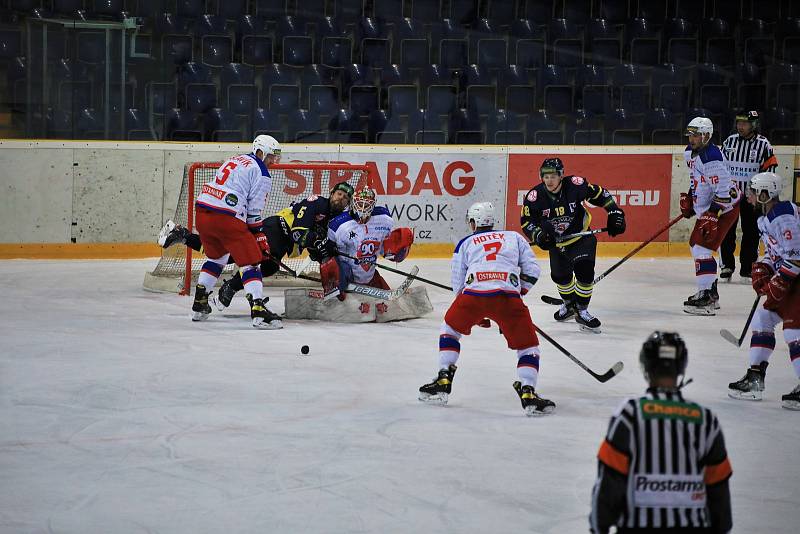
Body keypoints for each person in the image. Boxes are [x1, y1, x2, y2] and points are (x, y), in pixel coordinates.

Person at [418, 201, 555, 416]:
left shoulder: (465, 242)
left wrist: (478, 313)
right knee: (528, 348)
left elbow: (458, 284)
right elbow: (533, 271)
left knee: (450, 330)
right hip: (508, 298)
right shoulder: (514, 237)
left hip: (473, 296)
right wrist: (516, 296)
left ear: (473, 223)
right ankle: (528, 392)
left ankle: (444, 378)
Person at [590, 331, 733, 533]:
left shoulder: (630, 416)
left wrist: (599, 527)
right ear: (680, 369)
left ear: (647, 368)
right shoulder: (706, 420)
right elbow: (719, 495)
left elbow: (608, 487)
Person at [159, 180, 355, 312]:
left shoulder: (333, 220)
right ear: (331, 193)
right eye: (338, 194)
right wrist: (317, 242)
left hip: (283, 242)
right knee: (241, 258)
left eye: (345, 198)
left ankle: (184, 236)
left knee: (247, 261)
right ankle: (230, 286)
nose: (340, 199)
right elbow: (298, 232)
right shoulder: (317, 203)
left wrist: (325, 252)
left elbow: (312, 247)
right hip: (276, 229)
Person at [520, 157, 626, 333]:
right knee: (561, 277)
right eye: (545, 177)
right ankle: (569, 304)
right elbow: (526, 222)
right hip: (557, 243)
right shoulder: (535, 197)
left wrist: (614, 212)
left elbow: (601, 194)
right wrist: (539, 236)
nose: (549, 180)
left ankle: (582, 311)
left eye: (553, 176)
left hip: (581, 238)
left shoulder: (576, 185)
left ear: (561, 175)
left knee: (584, 271)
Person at [188, 135, 282, 329]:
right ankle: (259, 312)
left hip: (203, 214)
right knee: (252, 263)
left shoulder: (235, 159)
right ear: (260, 151)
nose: (274, 161)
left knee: (217, 258)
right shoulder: (261, 172)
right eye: (272, 156)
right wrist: (259, 235)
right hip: (226, 217)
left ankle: (200, 304)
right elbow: (254, 212)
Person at [727, 172, 800, 410]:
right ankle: (755, 377)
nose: (748, 195)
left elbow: (797, 258)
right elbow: (776, 252)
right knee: (763, 319)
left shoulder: (784, 217)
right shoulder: (766, 218)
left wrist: (777, 283)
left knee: (793, 332)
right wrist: (764, 267)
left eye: (752, 191)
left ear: (765, 194)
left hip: (796, 280)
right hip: (791, 279)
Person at [680, 117, 741, 315]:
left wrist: (712, 214)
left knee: (700, 247)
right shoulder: (690, 153)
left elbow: (724, 193)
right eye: (690, 134)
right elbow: (696, 179)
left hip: (725, 209)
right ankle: (711, 293)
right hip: (710, 208)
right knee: (696, 245)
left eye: (695, 135)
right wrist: (691, 198)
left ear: (706, 135)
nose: (691, 138)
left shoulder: (712, 158)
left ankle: (706, 297)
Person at [324, 186, 414, 300]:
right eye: (359, 203)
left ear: (373, 204)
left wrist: (394, 250)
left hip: (369, 274)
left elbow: (382, 248)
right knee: (334, 266)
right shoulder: (339, 224)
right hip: (347, 275)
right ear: (353, 202)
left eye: (366, 204)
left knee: (391, 301)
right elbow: (329, 254)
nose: (362, 208)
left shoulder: (384, 219)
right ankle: (336, 293)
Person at [720, 110, 779, 281]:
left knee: (751, 232)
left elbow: (770, 169)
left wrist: (762, 194)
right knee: (726, 232)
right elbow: (721, 166)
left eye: (744, 123)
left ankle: (747, 268)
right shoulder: (729, 141)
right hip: (731, 196)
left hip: (752, 198)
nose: (740, 126)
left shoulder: (763, 145)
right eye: (738, 123)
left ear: (753, 125)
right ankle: (727, 266)